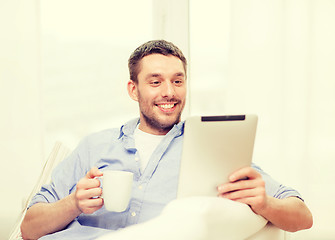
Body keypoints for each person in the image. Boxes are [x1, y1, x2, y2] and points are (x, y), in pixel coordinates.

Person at [21, 40, 313, 240]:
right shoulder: (93, 146)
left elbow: (302, 216)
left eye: (177, 80)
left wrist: (263, 203)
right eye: (155, 81)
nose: (169, 92)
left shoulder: (210, 147)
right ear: (133, 90)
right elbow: (29, 227)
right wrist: (73, 203)